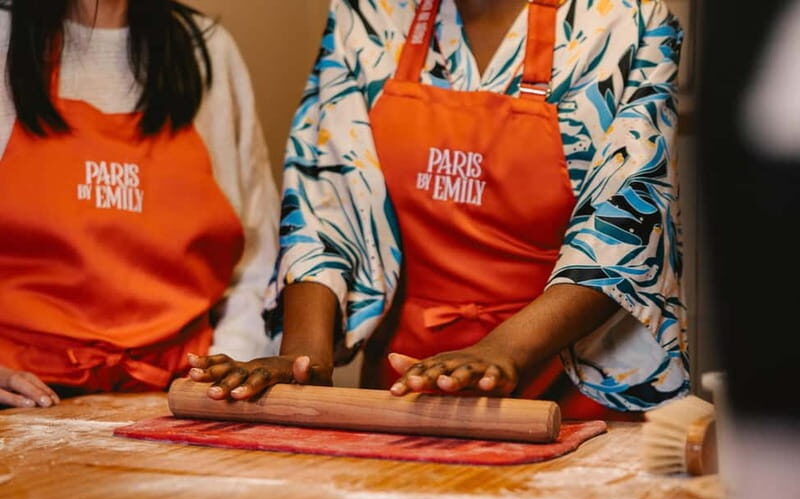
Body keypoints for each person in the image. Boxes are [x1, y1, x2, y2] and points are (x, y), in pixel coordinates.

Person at [191, 0, 689, 420]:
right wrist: (303, 355)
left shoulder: (626, 20)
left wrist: (502, 351)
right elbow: (325, 201)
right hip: (408, 395)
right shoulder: (371, 13)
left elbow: (626, 221)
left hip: (574, 400)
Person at [0, 0, 279, 408]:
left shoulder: (207, 50)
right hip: (21, 405)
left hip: (179, 399)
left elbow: (256, 261)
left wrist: (226, 368)